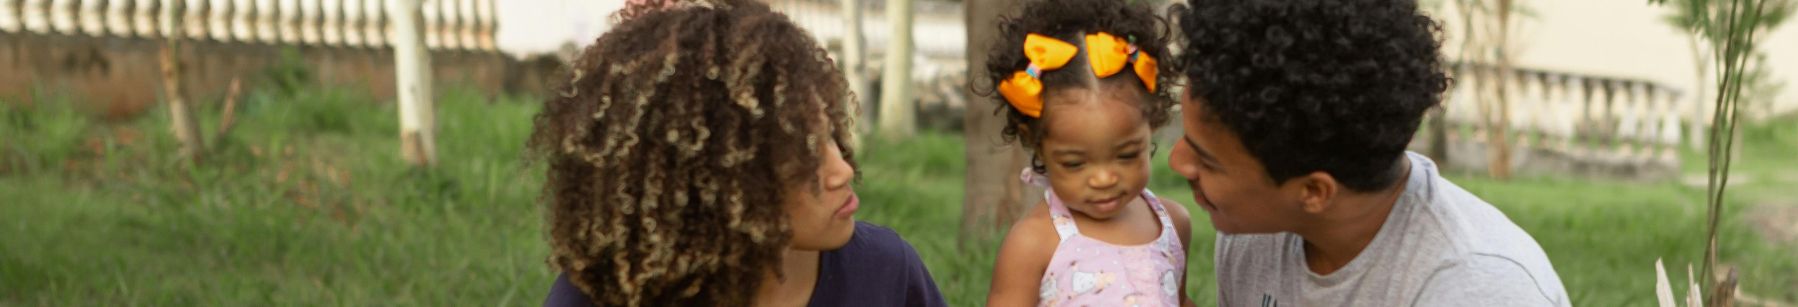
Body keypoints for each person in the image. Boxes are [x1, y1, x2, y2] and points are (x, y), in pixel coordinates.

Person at [529, 1, 945, 306]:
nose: (842, 172)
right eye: (803, 163)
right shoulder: (608, 292)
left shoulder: (883, 273)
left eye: (832, 138)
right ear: (710, 185)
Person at [1166, 0, 1571, 306]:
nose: (1177, 162)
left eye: (1207, 160)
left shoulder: (1474, 287)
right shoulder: (1255, 233)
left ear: (1314, 192)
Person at [980, 0, 1193, 306]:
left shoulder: (1173, 224)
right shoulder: (1033, 242)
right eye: (1075, 163)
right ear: (1036, 142)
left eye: (1126, 155)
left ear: (1153, 121)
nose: (1104, 178)